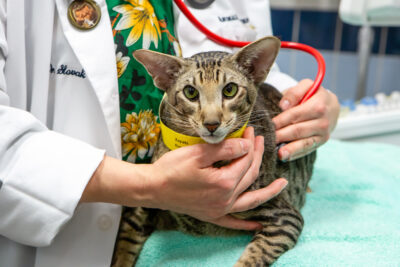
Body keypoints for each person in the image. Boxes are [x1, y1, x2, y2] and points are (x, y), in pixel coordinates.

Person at [0, 1, 339, 267]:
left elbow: (232, 61)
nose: (210, 119)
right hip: (51, 227)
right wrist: (151, 186)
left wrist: (303, 102)